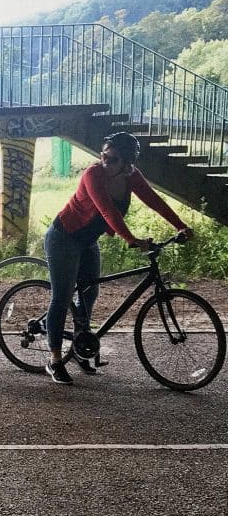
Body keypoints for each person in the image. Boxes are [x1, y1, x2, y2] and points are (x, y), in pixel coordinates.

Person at [42, 132, 192, 385]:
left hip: (88, 240)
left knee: (90, 292)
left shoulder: (131, 176)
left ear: (127, 162)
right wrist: (130, 239)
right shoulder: (93, 175)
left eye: (112, 159)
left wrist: (181, 226)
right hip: (63, 238)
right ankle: (55, 360)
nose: (105, 162)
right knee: (63, 296)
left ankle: (80, 346)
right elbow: (107, 211)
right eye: (103, 156)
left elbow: (155, 201)